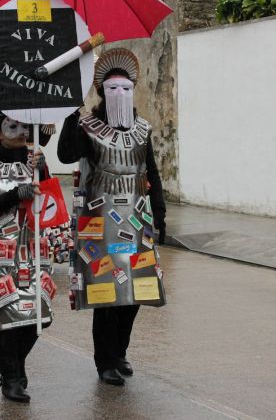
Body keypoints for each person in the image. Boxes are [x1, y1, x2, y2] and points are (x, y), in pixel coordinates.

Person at [57, 48, 167, 386]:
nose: (120, 94)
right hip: (100, 218)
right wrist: (70, 117)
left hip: (135, 217)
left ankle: (119, 352)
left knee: (133, 293)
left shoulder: (142, 129)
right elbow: (66, 154)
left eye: (126, 88)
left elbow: (151, 171)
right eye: (113, 89)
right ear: (102, 92)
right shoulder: (88, 127)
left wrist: (159, 212)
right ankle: (104, 360)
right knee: (107, 291)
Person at [0, 109, 55, 403]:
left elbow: (49, 201)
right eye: (12, 125)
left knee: (38, 314)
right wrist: (14, 195)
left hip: (32, 250)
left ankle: (13, 369)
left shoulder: (34, 164)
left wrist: (41, 172)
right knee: (7, 318)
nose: (19, 131)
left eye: (24, 127)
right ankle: (12, 378)